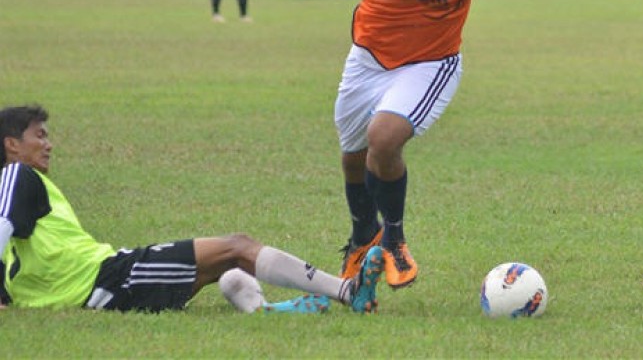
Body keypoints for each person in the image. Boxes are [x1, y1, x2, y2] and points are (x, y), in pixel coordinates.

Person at [0, 104, 383, 313]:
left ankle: (269, 311)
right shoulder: (17, 174)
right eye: (39, 136)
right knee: (237, 246)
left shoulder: (27, 185)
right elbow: (2, 225)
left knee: (231, 265)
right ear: (12, 145)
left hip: (103, 280)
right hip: (108, 279)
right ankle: (350, 292)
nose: (48, 145)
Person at [334, 0, 502, 289]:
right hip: (369, 56)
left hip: (432, 60)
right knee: (353, 158)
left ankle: (393, 239)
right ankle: (360, 236)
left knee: (383, 138)